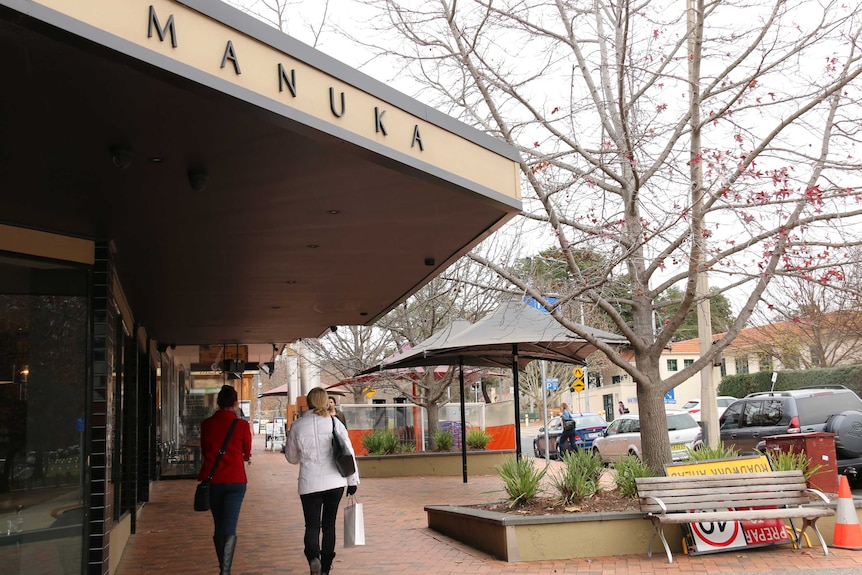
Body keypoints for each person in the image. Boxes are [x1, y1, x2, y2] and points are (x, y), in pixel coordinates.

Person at [286, 387, 360, 575]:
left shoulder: (298, 425)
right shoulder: (335, 423)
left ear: (308, 402)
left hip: (309, 483)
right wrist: (353, 481)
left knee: (312, 525)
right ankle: (326, 567)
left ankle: (313, 558)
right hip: (335, 482)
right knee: (329, 525)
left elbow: (291, 458)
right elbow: (348, 453)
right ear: (327, 402)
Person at [199, 385, 252, 575]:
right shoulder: (242, 425)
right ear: (236, 403)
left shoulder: (206, 424)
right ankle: (225, 571)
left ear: (218, 403)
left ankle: (223, 567)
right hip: (236, 480)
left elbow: (205, 451)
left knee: (219, 524)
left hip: (213, 480)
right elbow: (247, 452)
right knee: (229, 525)